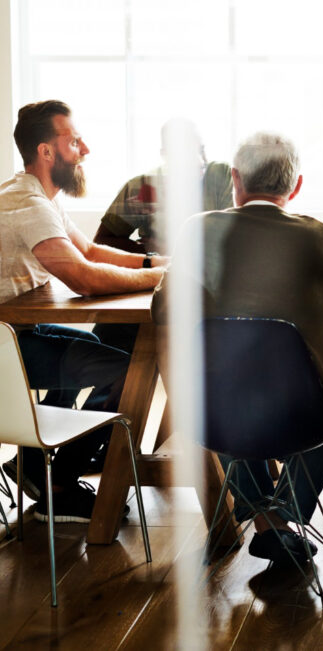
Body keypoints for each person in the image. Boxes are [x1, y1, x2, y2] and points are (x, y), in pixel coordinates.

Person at [151, 132, 323, 563]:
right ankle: (279, 516)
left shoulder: (197, 230)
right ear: (295, 186)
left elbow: (163, 309)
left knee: (226, 390)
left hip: (216, 413)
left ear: (236, 181)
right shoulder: (320, 237)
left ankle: (266, 519)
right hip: (301, 415)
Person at [0, 100, 166, 522]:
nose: (85, 149)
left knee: (100, 349)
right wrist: (166, 280)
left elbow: (89, 250)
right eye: (73, 141)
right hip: (8, 348)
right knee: (127, 373)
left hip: (19, 335)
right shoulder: (28, 205)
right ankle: (57, 480)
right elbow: (84, 277)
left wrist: (155, 264)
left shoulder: (37, 196)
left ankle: (35, 467)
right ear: (46, 152)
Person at [94, 118, 232, 255]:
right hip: (160, 272)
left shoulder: (221, 175)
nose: (199, 161)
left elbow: (234, 237)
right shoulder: (142, 185)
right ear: (166, 155)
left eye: (201, 150)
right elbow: (101, 241)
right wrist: (149, 250)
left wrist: (172, 249)